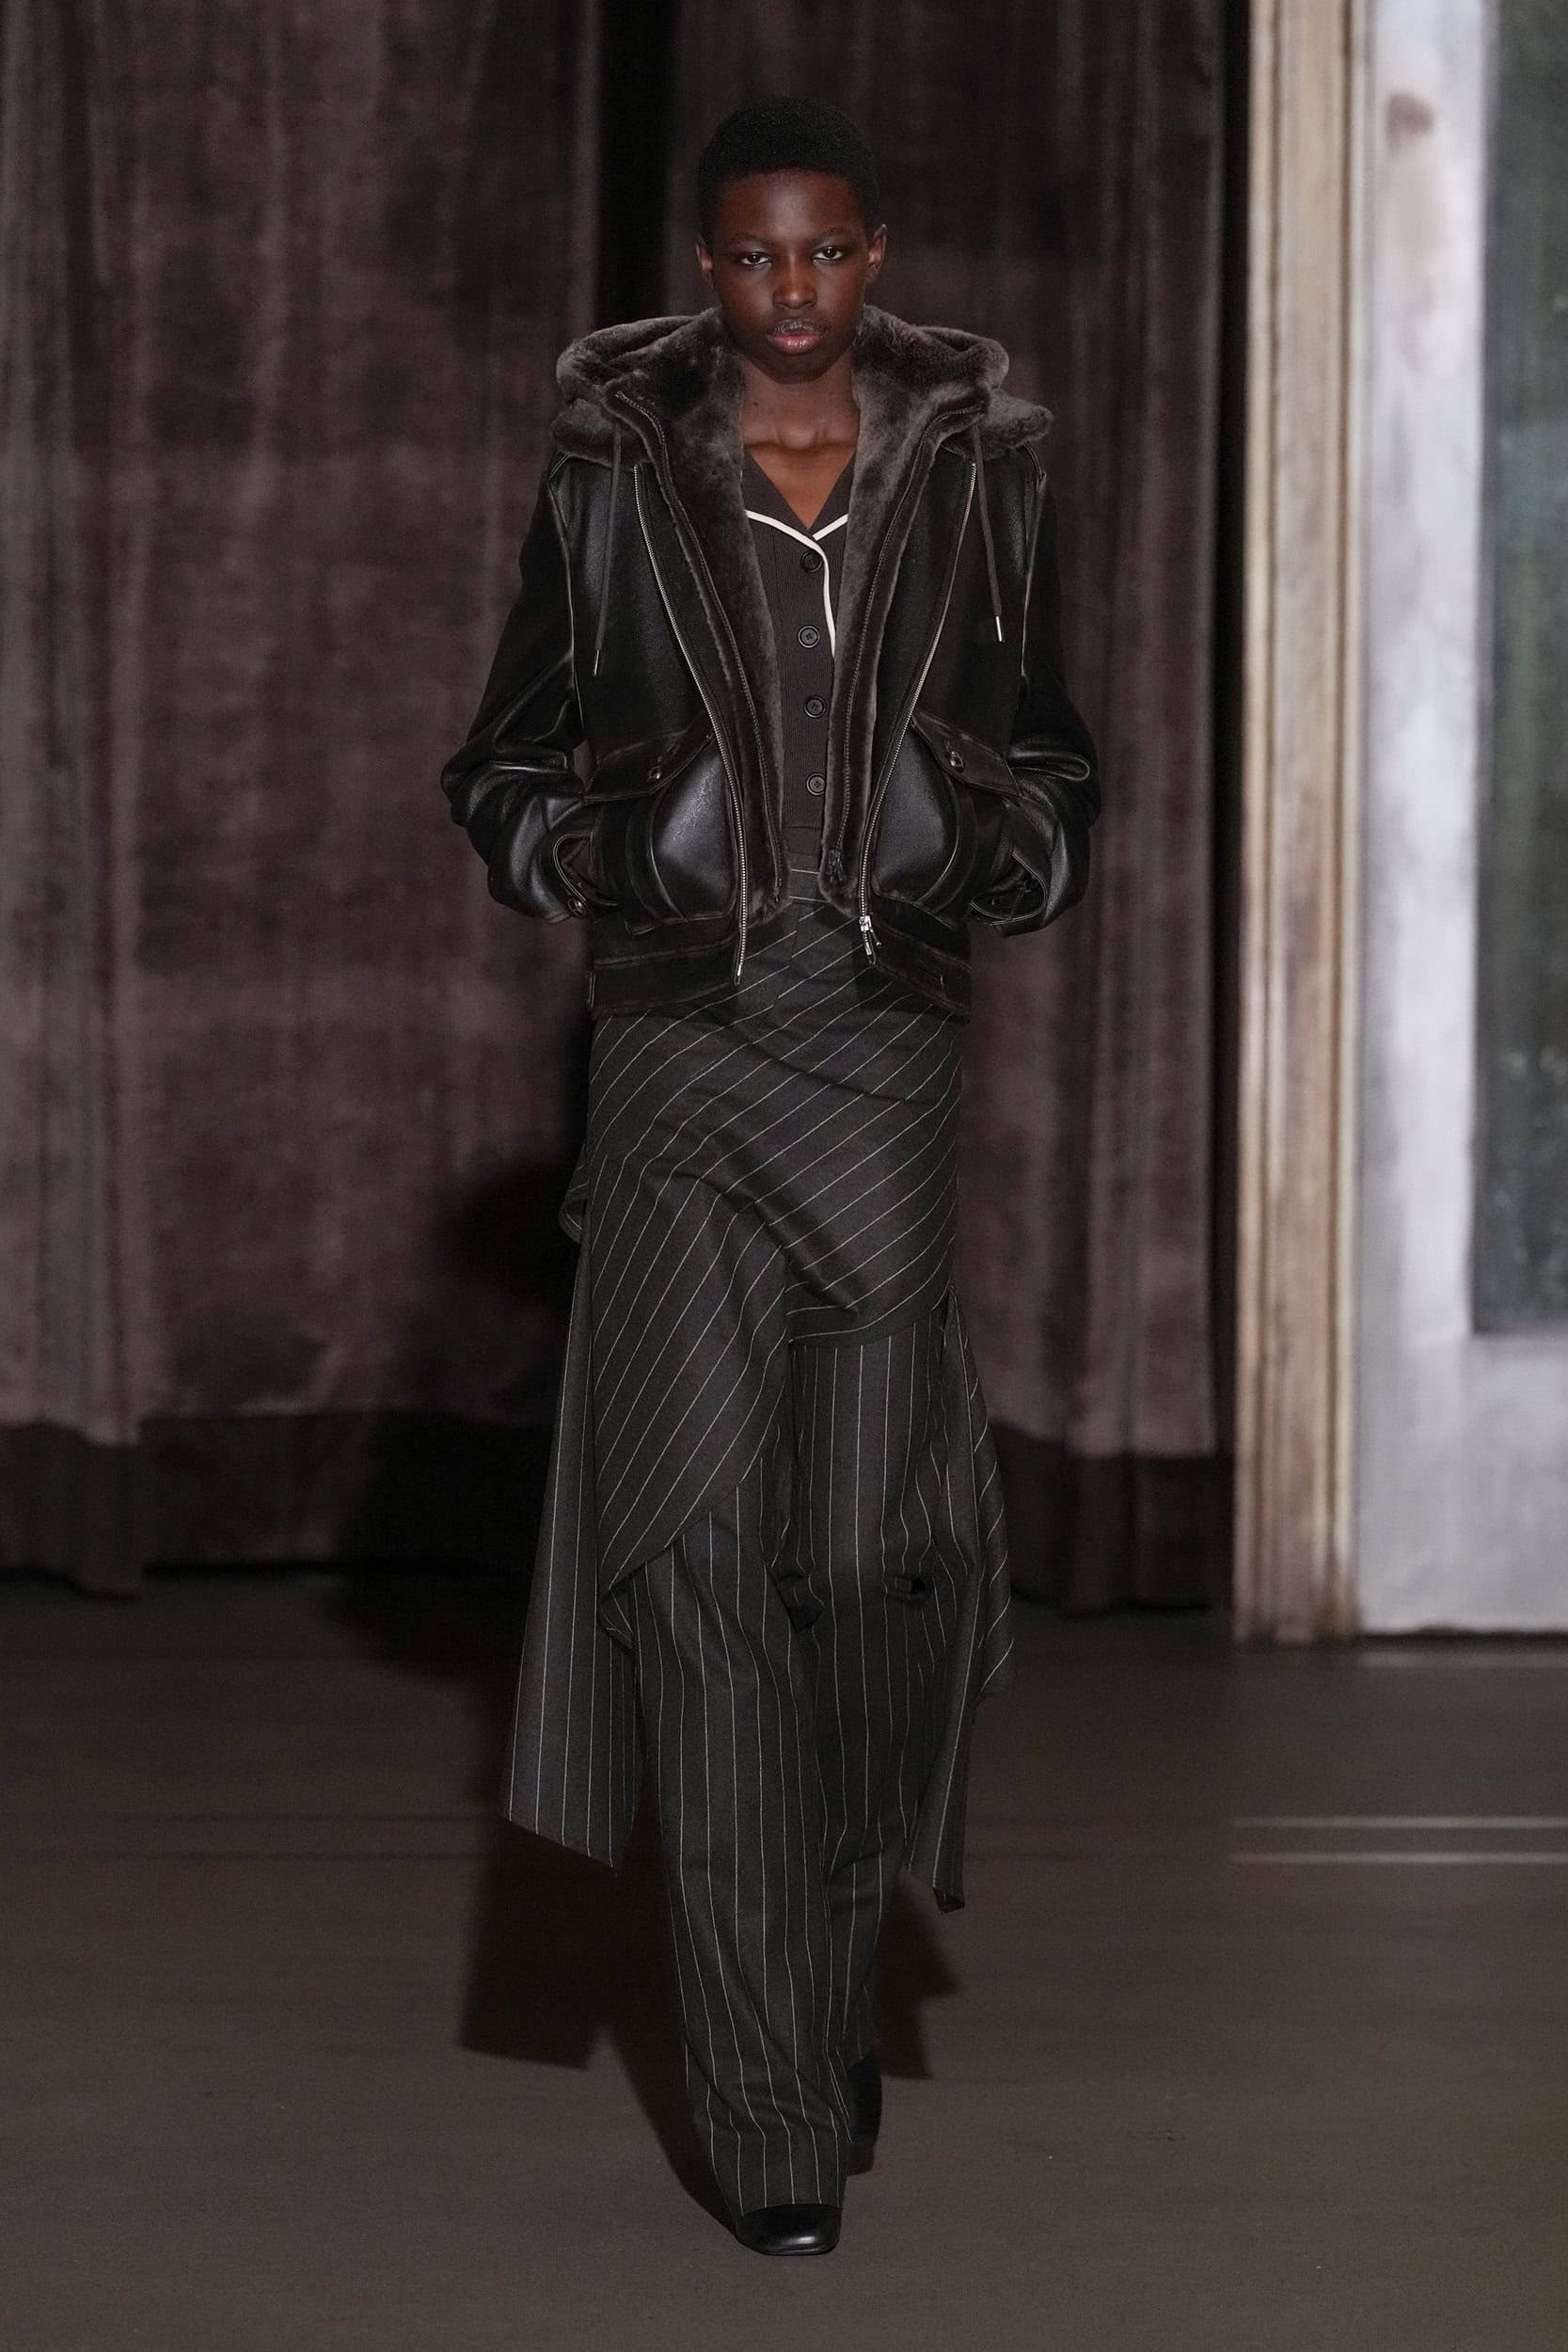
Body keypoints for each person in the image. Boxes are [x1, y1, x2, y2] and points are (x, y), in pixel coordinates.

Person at [441, 95, 1099, 2257]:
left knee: (865, 1561)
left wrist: (979, 838)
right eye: (752, 256)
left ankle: (818, 1985)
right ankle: (768, 2098)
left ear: (875, 256)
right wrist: (617, 849)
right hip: (677, 1057)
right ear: (707, 267)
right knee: (701, 1573)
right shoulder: (615, 466)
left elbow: (1057, 762)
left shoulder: (980, 469)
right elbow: (500, 763)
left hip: (879, 1052)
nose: (791, 290)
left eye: (824, 253)